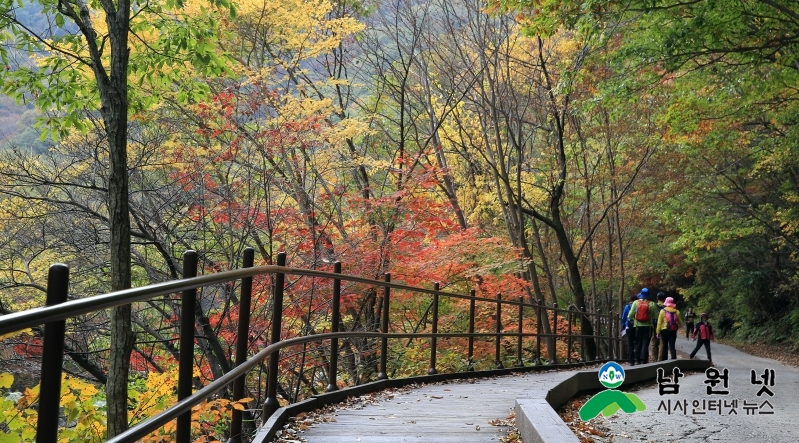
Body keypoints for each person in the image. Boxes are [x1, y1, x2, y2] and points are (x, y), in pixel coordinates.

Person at [627, 288, 658, 365]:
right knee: (645, 343)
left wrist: (633, 319)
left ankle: (637, 359)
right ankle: (643, 360)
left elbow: (630, 315)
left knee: (638, 342)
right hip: (648, 326)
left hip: (637, 326)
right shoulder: (652, 304)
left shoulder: (635, 303)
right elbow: (655, 316)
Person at [621, 294, 638, 365]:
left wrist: (623, 326)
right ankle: (638, 358)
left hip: (629, 327)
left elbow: (624, 317)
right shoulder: (638, 306)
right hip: (637, 326)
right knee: (637, 343)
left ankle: (631, 360)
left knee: (630, 344)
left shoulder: (627, 307)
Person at [650, 292, 666, 361]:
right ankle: (660, 359)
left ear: (657, 298)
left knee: (654, 343)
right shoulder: (666, 307)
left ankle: (654, 358)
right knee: (662, 343)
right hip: (663, 326)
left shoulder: (653, 305)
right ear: (664, 299)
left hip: (655, 325)